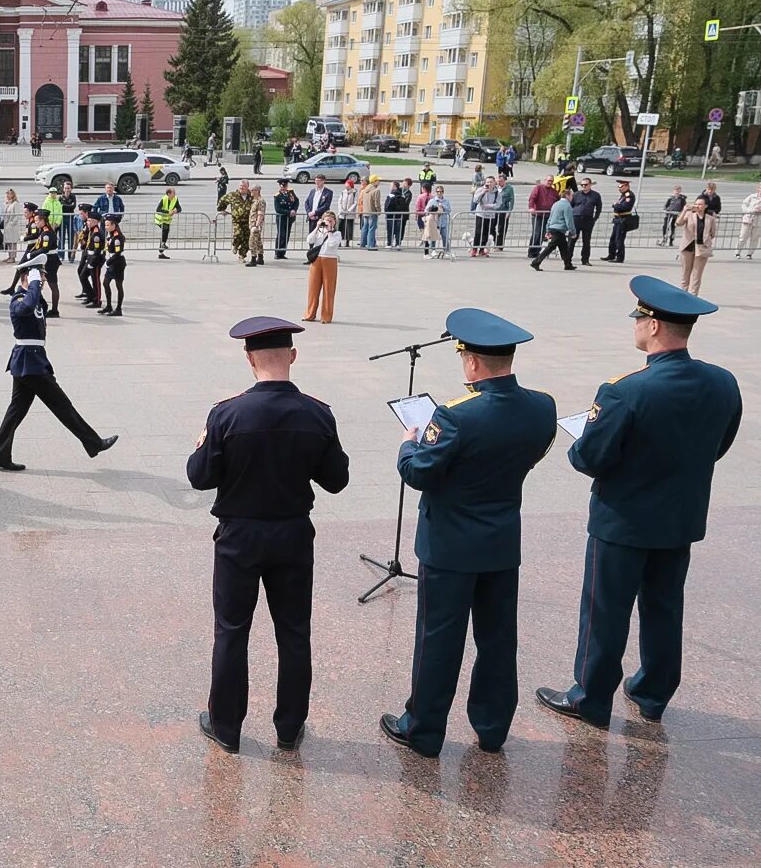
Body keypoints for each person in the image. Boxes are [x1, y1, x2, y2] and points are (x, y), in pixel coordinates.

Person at [537, 276, 741, 729]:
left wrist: (584, 442)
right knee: (664, 606)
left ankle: (589, 698)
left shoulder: (625, 390)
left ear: (652, 327)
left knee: (605, 611)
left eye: (639, 319)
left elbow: (589, 457)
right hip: (681, 518)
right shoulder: (723, 382)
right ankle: (652, 692)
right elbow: (719, 444)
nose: (635, 327)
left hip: (623, 521)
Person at [380, 309, 556, 759]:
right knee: (498, 639)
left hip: (449, 547)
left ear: (472, 362)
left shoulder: (456, 416)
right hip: (500, 542)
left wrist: (409, 442)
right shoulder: (543, 406)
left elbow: (418, 472)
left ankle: (422, 729)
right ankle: (493, 727)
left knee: (439, 639)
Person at [190, 316, 349, 754]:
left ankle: (226, 727)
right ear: (292, 356)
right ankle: (289, 726)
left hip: (240, 536)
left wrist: (203, 441)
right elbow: (336, 480)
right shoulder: (317, 413)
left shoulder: (227, 413)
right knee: (294, 631)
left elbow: (200, 477)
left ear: (249, 360)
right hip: (293, 534)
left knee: (231, 631)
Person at [0, 253, 118, 472]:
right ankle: (93, 442)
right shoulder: (18, 300)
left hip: (33, 361)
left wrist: (35, 285)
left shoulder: (35, 297)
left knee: (16, 412)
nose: (43, 280)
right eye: (39, 275)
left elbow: (39, 309)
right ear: (27, 277)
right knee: (62, 406)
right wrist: (33, 284)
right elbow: (26, 309)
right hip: (29, 363)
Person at [302, 211, 341, 325]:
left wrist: (329, 231)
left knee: (329, 289)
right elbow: (309, 240)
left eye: (330, 220)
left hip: (330, 260)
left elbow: (332, 244)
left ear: (334, 222)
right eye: (326, 220)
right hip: (317, 260)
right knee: (313, 288)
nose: (328, 222)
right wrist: (317, 227)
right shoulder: (319, 231)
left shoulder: (337, 233)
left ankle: (326, 316)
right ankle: (310, 314)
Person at [531, 186, 578, 271]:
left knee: (564, 248)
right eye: (571, 195)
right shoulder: (567, 206)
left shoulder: (555, 204)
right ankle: (536, 262)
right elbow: (569, 220)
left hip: (553, 228)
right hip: (559, 230)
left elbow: (550, 218)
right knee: (550, 248)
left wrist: (548, 229)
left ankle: (568, 264)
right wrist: (573, 232)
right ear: (567, 196)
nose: (572, 197)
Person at [675, 196, 716, 295]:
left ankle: (693, 295)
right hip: (688, 246)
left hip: (701, 248)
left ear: (705, 206)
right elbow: (678, 223)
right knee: (686, 272)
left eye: (700, 204)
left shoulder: (710, 218)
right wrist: (684, 210)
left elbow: (713, 233)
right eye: (696, 203)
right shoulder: (689, 215)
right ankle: (683, 293)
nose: (698, 206)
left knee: (697, 275)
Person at [601, 178, 636, 263]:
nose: (619, 188)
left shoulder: (629, 195)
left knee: (619, 239)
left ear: (627, 186)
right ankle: (611, 255)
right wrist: (617, 205)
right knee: (613, 239)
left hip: (623, 220)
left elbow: (625, 207)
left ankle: (620, 257)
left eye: (621, 186)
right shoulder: (623, 195)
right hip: (617, 220)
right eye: (619, 186)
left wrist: (615, 205)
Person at [570, 177, 603, 266]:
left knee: (586, 241)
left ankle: (585, 259)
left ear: (590, 185)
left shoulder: (596, 195)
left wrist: (594, 218)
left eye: (586, 185)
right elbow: (570, 206)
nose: (583, 186)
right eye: (582, 185)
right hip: (576, 219)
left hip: (588, 220)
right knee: (572, 239)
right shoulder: (576, 194)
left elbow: (599, 208)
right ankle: (568, 258)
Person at [99, 213, 126, 316]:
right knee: (106, 283)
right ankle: (109, 306)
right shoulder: (110, 235)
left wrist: (108, 262)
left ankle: (118, 309)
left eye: (107, 225)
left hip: (118, 263)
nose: (106, 227)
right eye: (105, 225)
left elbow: (118, 253)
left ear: (114, 225)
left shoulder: (118, 238)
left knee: (119, 285)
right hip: (111, 261)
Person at [526, 176, 558, 258]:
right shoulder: (538, 188)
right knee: (536, 233)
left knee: (542, 234)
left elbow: (558, 201)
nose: (550, 182)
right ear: (545, 180)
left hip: (547, 216)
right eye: (548, 180)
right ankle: (531, 251)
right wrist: (531, 207)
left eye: (551, 181)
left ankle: (537, 251)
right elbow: (532, 198)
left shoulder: (554, 191)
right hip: (537, 215)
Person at [273, 179, 299, 259]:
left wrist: (294, 210)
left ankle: (283, 252)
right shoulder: (277, 196)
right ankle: (277, 252)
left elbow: (296, 201)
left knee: (287, 235)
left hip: (290, 218)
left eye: (285, 186)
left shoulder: (291, 192)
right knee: (281, 235)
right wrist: (288, 212)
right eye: (282, 186)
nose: (283, 188)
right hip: (282, 218)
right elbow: (278, 209)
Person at [154, 186, 181, 259]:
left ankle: (161, 252)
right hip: (160, 219)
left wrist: (176, 210)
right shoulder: (164, 199)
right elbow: (158, 209)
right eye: (173, 193)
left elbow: (179, 208)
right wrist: (167, 212)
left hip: (167, 220)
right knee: (165, 230)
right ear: (169, 194)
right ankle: (162, 245)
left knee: (166, 232)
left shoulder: (175, 199)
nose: (175, 194)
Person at [357, 175, 382, 251]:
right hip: (372, 212)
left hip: (365, 211)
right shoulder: (376, 190)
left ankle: (363, 243)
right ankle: (371, 245)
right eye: (378, 180)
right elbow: (376, 203)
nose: (379, 182)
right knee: (371, 229)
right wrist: (378, 211)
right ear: (374, 181)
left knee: (365, 228)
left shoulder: (365, 190)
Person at [384, 179, 409, 251]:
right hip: (399, 216)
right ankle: (398, 244)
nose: (390, 187)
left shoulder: (390, 195)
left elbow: (386, 206)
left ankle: (389, 243)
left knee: (390, 230)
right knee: (398, 230)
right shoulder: (402, 196)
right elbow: (404, 206)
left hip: (390, 215)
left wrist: (386, 213)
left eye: (391, 185)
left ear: (395, 187)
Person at [738, 187, 761, 259]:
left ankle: (750, 253)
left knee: (755, 238)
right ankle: (737, 252)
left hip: (759, 220)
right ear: (758, 189)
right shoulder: (752, 197)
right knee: (743, 236)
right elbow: (744, 204)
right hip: (749, 218)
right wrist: (748, 211)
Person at [336, 175, 359, 248]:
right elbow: (339, 201)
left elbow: (355, 203)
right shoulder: (343, 192)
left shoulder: (354, 193)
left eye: (348, 184)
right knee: (340, 228)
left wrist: (349, 210)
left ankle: (347, 242)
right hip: (342, 213)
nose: (346, 186)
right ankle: (339, 242)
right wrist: (341, 209)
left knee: (348, 228)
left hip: (349, 214)